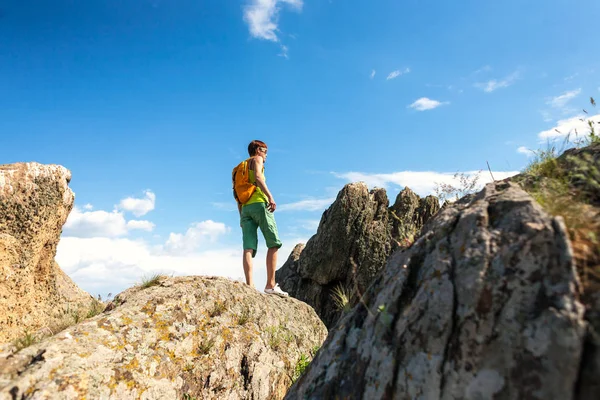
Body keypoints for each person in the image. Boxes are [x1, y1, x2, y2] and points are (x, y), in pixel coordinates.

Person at [239, 140, 288, 297]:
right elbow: (259, 178)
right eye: (265, 151)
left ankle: (250, 285)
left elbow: (237, 194)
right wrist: (270, 196)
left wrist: (242, 215)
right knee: (274, 243)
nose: (266, 155)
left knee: (248, 248)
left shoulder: (241, 167)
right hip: (260, 204)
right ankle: (270, 285)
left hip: (245, 208)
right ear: (258, 150)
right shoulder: (256, 160)